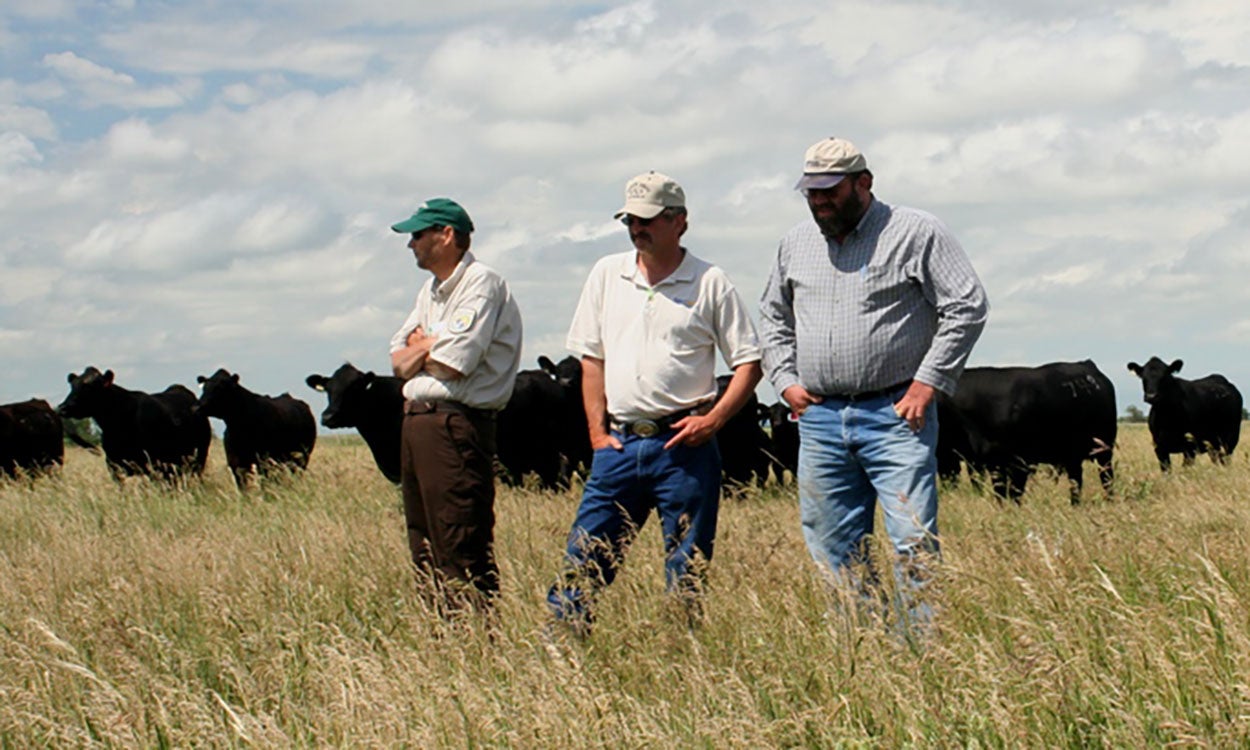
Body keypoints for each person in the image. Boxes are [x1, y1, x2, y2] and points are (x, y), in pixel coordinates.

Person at [758, 136, 988, 627]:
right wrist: (784, 379)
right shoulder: (796, 243)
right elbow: (773, 316)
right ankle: (862, 648)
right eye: (811, 192)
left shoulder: (915, 232)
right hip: (818, 418)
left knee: (912, 540)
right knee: (831, 541)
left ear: (863, 183)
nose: (819, 201)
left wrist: (928, 383)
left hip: (895, 413)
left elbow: (967, 306)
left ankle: (923, 654)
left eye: (830, 191)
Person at [546, 171, 763, 635]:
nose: (636, 229)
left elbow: (749, 363)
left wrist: (713, 421)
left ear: (679, 222)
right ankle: (562, 647)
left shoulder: (709, 281)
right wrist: (597, 435)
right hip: (619, 445)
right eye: (630, 219)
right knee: (586, 553)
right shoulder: (607, 273)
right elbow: (592, 360)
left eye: (646, 220)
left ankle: (683, 653)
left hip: (683, 444)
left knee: (687, 563)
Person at [388, 197, 522, 618]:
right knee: (424, 540)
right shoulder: (430, 291)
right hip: (420, 424)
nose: (411, 244)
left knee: (458, 537)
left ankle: (474, 639)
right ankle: (442, 639)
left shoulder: (482, 283)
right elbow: (396, 359)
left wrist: (424, 345)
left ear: (446, 235)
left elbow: (454, 362)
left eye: (417, 234)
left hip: (454, 424)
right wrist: (430, 344)